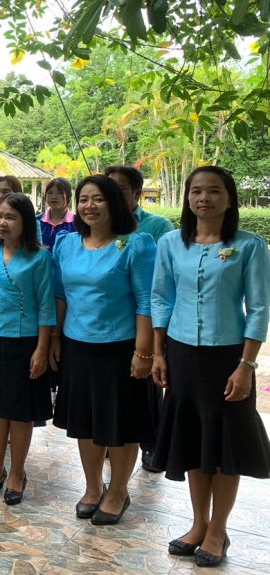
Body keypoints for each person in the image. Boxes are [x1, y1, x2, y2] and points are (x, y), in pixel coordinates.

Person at [151, 166, 270, 567]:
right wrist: (159, 353)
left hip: (228, 358)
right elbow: (160, 298)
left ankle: (219, 529)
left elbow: (259, 308)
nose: (204, 198)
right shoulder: (170, 243)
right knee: (193, 440)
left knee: (224, 445)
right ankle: (198, 523)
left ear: (229, 198)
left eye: (214, 191)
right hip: (181, 354)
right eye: (196, 191)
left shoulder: (249, 246)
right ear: (188, 198)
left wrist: (246, 365)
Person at [49, 174, 156, 526]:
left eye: (98, 199)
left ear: (114, 203)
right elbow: (60, 295)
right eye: (83, 199)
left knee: (121, 423)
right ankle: (93, 486)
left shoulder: (135, 245)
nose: (89, 206)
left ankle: (119, 491)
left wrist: (144, 352)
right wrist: (54, 338)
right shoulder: (67, 243)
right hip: (77, 345)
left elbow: (146, 301)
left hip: (121, 349)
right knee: (86, 421)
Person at [0, 193, 55, 505]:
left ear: (26, 222)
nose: (2, 222)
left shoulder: (39, 257)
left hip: (26, 340)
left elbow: (46, 305)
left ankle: (17, 472)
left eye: (11, 217)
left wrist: (42, 349)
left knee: (20, 412)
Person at [105, 163, 175, 472]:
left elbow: (165, 275)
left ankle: (152, 445)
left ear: (136, 193)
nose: (112, 195)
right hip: (114, 319)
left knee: (146, 384)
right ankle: (115, 442)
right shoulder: (101, 225)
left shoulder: (157, 226)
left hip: (149, 316)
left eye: (119, 189)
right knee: (119, 389)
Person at [105, 164, 175, 241]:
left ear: (137, 193)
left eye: (119, 189)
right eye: (108, 188)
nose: (111, 193)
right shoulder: (99, 224)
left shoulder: (159, 225)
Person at [37, 177, 75, 249]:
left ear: (68, 196)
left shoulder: (78, 223)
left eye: (60, 193)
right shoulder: (36, 221)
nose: (54, 197)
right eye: (50, 193)